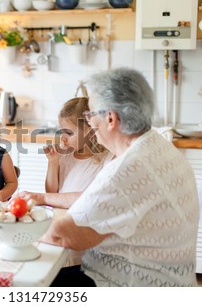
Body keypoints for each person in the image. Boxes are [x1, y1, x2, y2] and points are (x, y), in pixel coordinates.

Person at [44, 67, 199, 287]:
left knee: (28, 285)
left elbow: (63, 236)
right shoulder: (158, 146)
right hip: (171, 281)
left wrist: (10, 223)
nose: (89, 122)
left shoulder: (127, 169)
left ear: (110, 118)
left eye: (90, 114)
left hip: (126, 285)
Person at [19, 97, 114, 209]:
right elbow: (51, 192)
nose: (63, 138)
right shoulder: (65, 156)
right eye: (61, 131)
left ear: (89, 131)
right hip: (60, 214)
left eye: (68, 133)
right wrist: (53, 162)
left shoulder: (106, 160)